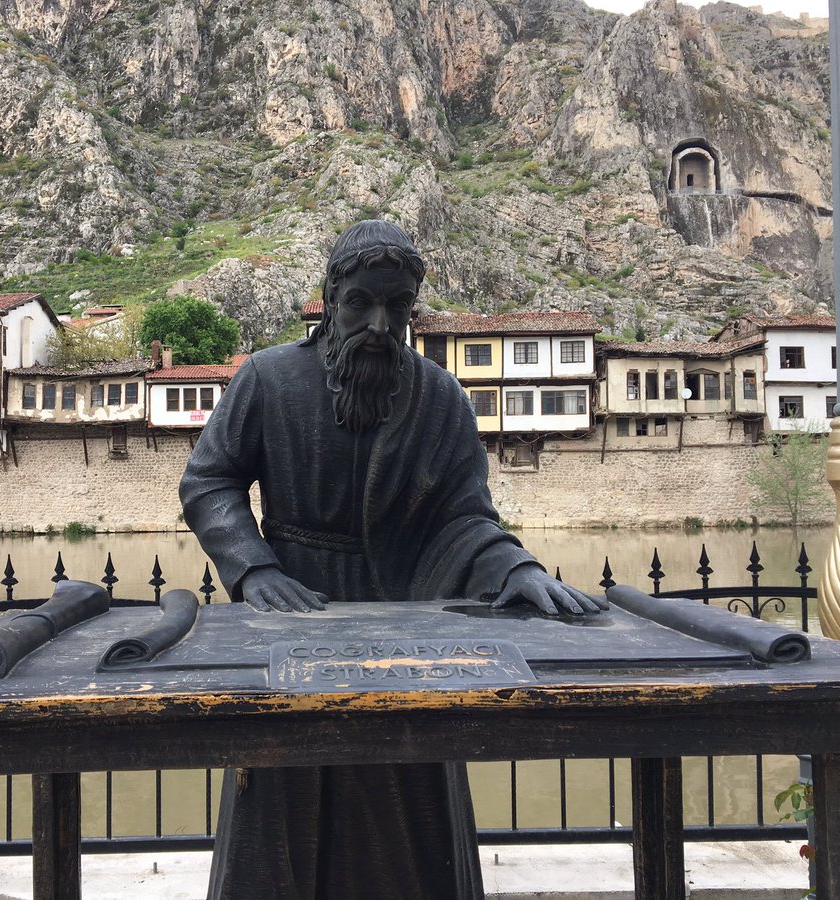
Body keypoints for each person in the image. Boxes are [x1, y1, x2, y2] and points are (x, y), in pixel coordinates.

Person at [179, 219, 605, 900]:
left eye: (398, 307)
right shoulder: (267, 379)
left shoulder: (440, 399)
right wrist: (255, 569)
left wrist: (515, 569)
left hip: (404, 633)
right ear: (330, 298)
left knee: (409, 828)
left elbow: (464, 518)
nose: (379, 324)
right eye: (361, 304)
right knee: (287, 811)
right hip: (294, 618)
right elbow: (209, 481)